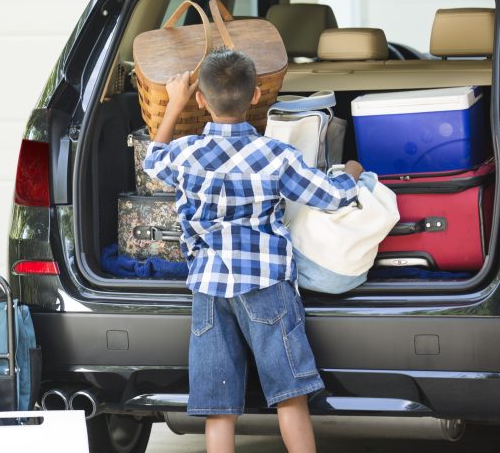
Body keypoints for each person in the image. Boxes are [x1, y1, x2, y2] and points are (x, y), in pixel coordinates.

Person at [143, 48, 363, 453]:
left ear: (201, 100)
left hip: (209, 286)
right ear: (258, 96)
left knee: (219, 406)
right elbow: (332, 197)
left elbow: (152, 162)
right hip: (266, 284)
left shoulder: (186, 153)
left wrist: (173, 104)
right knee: (290, 392)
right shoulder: (276, 156)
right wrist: (352, 173)